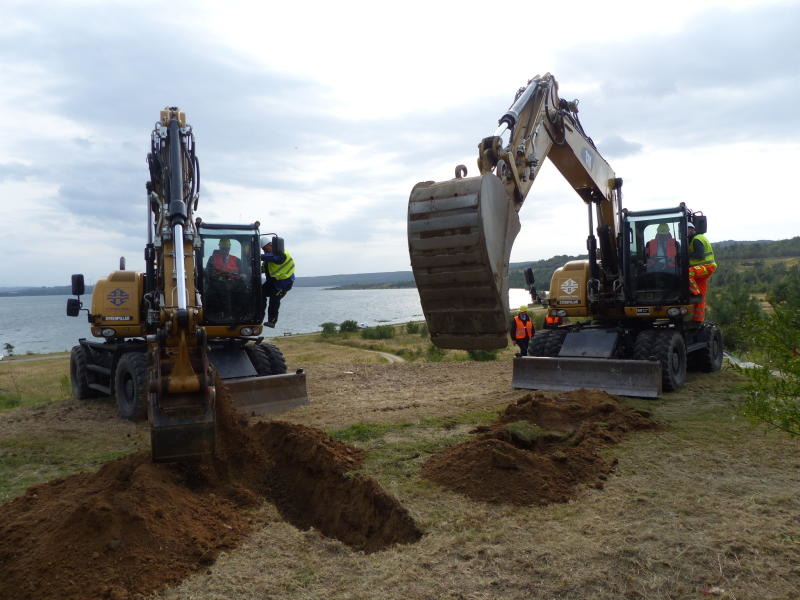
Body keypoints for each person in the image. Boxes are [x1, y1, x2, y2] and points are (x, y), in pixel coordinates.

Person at [260, 235, 295, 327]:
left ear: (271, 245)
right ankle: (258, 316)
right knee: (259, 293)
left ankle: (272, 321)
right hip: (273, 282)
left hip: (283, 284)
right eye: (263, 250)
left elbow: (274, 258)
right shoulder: (268, 258)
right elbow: (263, 269)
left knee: (274, 300)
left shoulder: (282, 254)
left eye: (265, 248)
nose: (264, 251)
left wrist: (256, 255)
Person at [687, 222, 717, 322]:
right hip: (702, 268)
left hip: (706, 267)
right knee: (702, 295)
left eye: (687, 230)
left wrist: (687, 256)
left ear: (691, 229)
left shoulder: (696, 239)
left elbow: (700, 255)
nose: (685, 232)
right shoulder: (695, 239)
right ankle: (698, 320)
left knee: (688, 273)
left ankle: (695, 294)